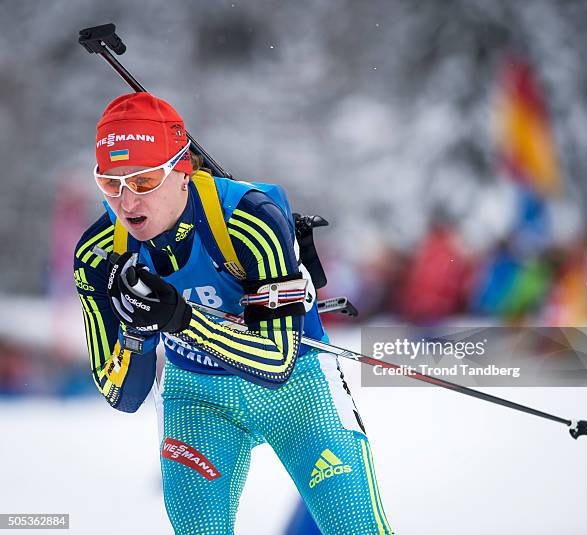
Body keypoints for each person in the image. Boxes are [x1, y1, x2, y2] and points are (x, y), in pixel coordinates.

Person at [74, 92, 394, 535]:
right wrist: (138, 331)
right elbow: (122, 395)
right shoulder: (98, 254)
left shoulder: (248, 218)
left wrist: (180, 318)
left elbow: (277, 361)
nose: (127, 204)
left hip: (300, 390)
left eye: (144, 182)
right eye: (112, 184)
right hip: (198, 399)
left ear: (182, 173)